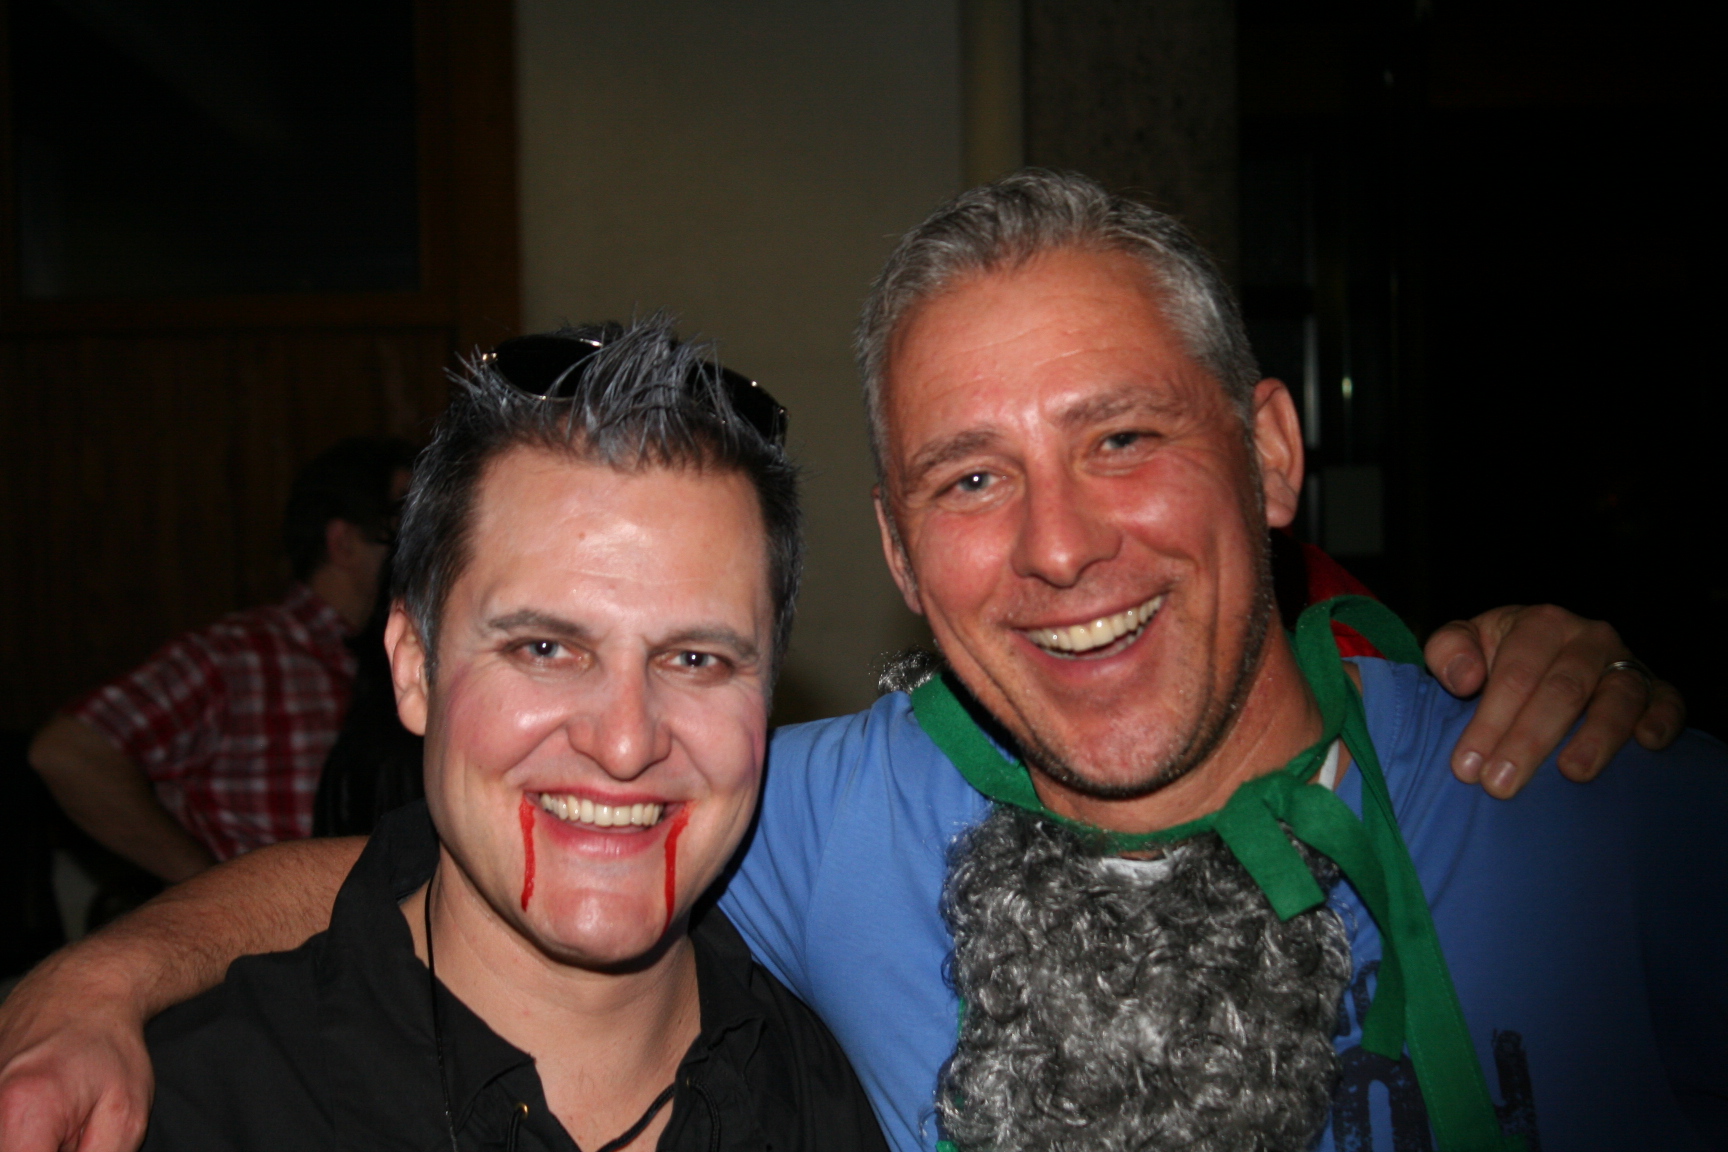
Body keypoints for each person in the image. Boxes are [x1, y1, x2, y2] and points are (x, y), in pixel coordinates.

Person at [0, 172, 1694, 1152]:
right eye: (971, 477)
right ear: (897, 551)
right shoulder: (820, 814)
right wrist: (92, 986)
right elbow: (475, 855)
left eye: (1119, 438)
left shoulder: (1595, 810)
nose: (1056, 546)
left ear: (1267, 450)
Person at [136, 320, 885, 1150]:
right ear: (414, 669)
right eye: (545, 649)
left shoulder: (836, 1097)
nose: (625, 744)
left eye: (694, 658)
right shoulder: (193, 1111)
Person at [26, 436, 415, 882]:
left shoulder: (407, 658)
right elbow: (68, 751)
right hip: (269, 921)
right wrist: (209, 887)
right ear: (343, 544)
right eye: (402, 522)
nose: (424, 540)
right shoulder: (237, 657)